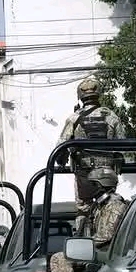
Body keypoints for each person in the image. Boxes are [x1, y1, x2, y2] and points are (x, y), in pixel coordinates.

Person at [49, 168, 128, 272]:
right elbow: (83, 210)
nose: (88, 188)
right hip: (100, 249)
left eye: (92, 184)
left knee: (60, 258)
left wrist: (85, 245)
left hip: (108, 252)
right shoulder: (100, 205)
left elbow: (106, 235)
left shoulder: (115, 206)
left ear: (101, 185)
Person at [55, 77, 127, 232]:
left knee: (83, 209)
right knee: (110, 205)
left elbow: (61, 146)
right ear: (98, 94)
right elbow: (123, 144)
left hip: (84, 174)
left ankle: (81, 239)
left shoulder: (74, 118)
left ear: (80, 97)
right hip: (108, 174)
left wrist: (61, 162)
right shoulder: (111, 116)